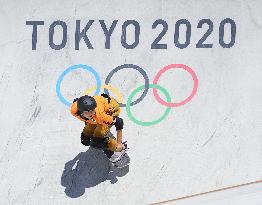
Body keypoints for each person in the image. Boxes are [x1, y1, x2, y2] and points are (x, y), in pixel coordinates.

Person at [70, 93, 127, 163]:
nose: (93, 113)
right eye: (90, 111)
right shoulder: (74, 110)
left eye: (93, 110)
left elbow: (119, 122)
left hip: (111, 110)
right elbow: (76, 101)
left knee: (98, 140)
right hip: (98, 108)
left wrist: (119, 143)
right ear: (82, 112)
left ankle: (120, 148)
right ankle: (100, 141)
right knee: (85, 139)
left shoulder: (99, 116)